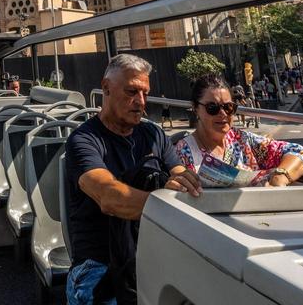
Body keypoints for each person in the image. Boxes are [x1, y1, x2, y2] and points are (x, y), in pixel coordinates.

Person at [64, 54, 201, 305]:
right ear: (106, 87)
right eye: (131, 92)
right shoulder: (83, 141)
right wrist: (166, 202)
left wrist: (191, 182)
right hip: (99, 265)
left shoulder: (152, 134)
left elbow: (179, 174)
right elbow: (110, 197)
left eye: (145, 93)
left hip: (149, 254)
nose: (140, 102)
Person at [175, 74, 303, 188]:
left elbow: (299, 152)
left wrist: (280, 176)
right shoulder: (184, 152)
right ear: (195, 108)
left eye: (228, 107)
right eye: (212, 107)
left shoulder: (243, 141)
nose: (222, 114)